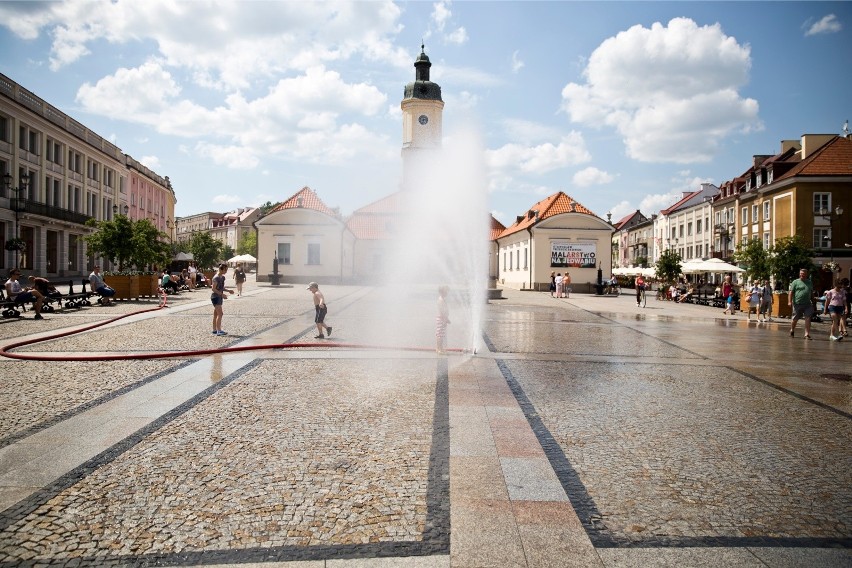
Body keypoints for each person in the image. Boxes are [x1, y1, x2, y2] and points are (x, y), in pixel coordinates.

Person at [788, 268, 814, 339]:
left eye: (804, 274)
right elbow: (791, 293)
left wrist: (813, 301)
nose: (802, 275)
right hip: (797, 303)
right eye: (801, 274)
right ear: (799, 274)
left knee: (808, 318)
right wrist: (789, 301)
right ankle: (792, 330)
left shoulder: (809, 282)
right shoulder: (795, 282)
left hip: (807, 304)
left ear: (806, 274)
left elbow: (811, 292)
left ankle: (807, 334)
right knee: (795, 319)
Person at [210, 263, 233, 336]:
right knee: (220, 314)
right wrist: (222, 294)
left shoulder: (222, 277)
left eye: (227, 269)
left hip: (219, 297)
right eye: (225, 270)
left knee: (216, 314)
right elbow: (213, 289)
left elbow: (221, 287)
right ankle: (219, 330)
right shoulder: (216, 278)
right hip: (215, 297)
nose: (226, 271)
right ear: (220, 269)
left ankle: (214, 330)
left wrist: (228, 290)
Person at [436, 285, 451, 354]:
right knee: (439, 335)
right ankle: (438, 349)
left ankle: (440, 348)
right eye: (446, 292)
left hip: (443, 319)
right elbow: (442, 311)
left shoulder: (442, 299)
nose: (447, 294)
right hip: (441, 319)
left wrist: (446, 318)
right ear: (442, 292)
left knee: (441, 335)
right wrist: (445, 319)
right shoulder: (440, 300)